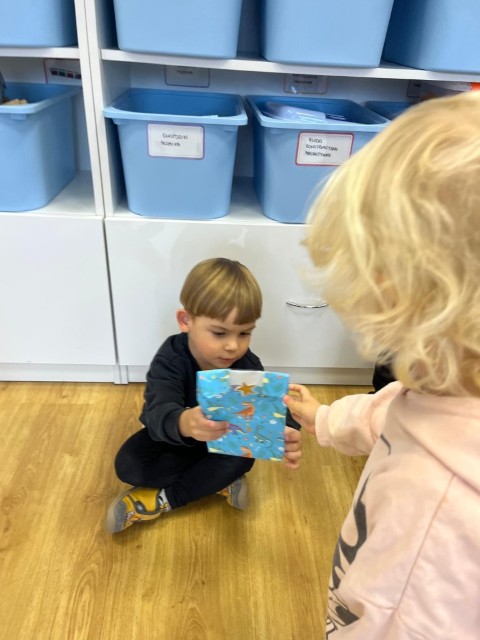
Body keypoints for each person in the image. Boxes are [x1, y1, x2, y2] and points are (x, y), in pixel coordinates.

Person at [284, 92, 480, 638]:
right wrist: (322, 417)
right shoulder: (446, 395)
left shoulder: (430, 512)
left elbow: (392, 620)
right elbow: (388, 413)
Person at [106, 257, 302, 534]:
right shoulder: (171, 357)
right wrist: (184, 422)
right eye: (219, 333)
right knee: (129, 464)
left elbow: (271, 409)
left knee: (240, 459)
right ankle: (214, 481)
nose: (233, 346)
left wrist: (286, 430)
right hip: (177, 440)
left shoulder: (247, 364)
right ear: (186, 321)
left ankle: (165, 499)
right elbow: (156, 412)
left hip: (224, 444)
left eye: (244, 333)